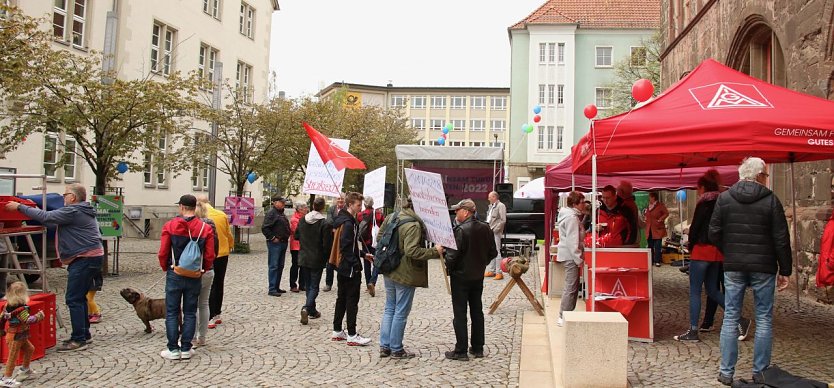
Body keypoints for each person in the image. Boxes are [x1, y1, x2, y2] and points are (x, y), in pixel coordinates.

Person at [709, 157, 792, 386]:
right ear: (758, 176)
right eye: (765, 175)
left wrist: (729, 250)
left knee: (730, 317)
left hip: (734, 265)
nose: (766, 178)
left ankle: (726, 372)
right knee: (764, 318)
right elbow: (781, 238)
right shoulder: (771, 200)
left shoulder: (725, 199)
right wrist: (785, 270)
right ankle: (760, 372)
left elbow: (713, 232)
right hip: (764, 267)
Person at [5, 183, 102, 352]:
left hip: (84, 259)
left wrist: (19, 206)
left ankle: (79, 339)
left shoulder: (73, 211)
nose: (63, 197)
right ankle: (84, 334)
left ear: (73, 197)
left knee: (73, 298)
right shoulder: (82, 210)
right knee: (80, 297)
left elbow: (46, 217)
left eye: (65, 194)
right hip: (90, 257)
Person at [674, 175, 749, 342]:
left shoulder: (703, 204)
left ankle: (693, 330)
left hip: (701, 251)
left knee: (695, 291)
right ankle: (739, 319)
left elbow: (696, 227)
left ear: (702, 188)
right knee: (713, 290)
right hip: (716, 252)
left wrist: (690, 244)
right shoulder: (723, 202)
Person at [377, 197, 441, 359]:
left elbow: (379, 239)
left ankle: (385, 347)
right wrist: (435, 251)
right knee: (400, 311)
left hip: (388, 269)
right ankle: (396, 349)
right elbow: (412, 251)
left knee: (390, 308)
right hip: (404, 272)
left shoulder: (393, 216)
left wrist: (393, 249)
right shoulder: (413, 224)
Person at [157, 194, 216, 360]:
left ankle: (173, 349)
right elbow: (210, 254)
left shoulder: (170, 225)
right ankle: (186, 348)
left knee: (172, 312)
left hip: (175, 272)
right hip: (194, 274)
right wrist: (203, 269)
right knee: (190, 311)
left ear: (182, 207)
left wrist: (165, 267)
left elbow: (163, 252)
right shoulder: (205, 228)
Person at [441, 199, 497, 361]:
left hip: (461, 277)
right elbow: (492, 252)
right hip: (477, 276)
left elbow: (452, 257)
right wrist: (481, 263)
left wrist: (447, 260)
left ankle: (461, 350)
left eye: (457, 210)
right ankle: (478, 347)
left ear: (466, 211)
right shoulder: (486, 228)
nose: (456, 213)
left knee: (460, 313)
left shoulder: (460, 230)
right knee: (477, 311)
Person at [330, 192, 372, 346]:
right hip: (348, 268)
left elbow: (351, 247)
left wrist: (362, 254)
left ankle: (337, 330)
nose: (360, 207)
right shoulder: (348, 223)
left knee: (341, 298)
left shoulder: (345, 220)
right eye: (357, 205)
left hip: (343, 266)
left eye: (360, 204)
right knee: (351, 300)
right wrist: (356, 265)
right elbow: (346, 247)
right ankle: (352, 335)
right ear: (350, 205)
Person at [195, 195, 233, 330]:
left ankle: (208, 315)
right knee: (219, 283)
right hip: (222, 253)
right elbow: (228, 234)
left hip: (207, 254)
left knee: (207, 285)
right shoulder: (221, 215)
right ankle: (216, 313)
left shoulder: (197, 216)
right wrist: (230, 246)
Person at [0, 282, 45, 387]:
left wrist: (1, 330)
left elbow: (2, 318)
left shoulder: (8, 305)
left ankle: (25, 369)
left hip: (20, 334)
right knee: (12, 357)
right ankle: (6, 378)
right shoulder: (21, 309)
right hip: (16, 335)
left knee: (30, 349)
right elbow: (28, 320)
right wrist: (39, 316)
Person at [296, 197, 332, 325]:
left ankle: (312, 310)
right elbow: (327, 244)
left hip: (304, 256)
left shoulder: (302, 220)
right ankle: (306, 308)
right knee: (314, 287)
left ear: (312, 205)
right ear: (323, 208)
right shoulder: (325, 223)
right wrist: (327, 257)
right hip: (317, 258)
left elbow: (296, 235)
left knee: (308, 285)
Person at [556, 191, 586, 327]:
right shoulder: (572, 218)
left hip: (567, 255)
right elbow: (572, 240)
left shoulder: (568, 215)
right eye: (582, 202)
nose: (584, 204)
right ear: (575, 204)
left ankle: (567, 314)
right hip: (570, 256)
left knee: (571, 286)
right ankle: (563, 316)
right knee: (570, 287)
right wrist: (578, 258)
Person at [193, 201, 217, 347]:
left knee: (192, 304)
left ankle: (192, 337)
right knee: (203, 303)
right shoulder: (210, 226)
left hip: (191, 269)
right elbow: (215, 248)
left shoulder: (189, 225)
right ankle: (202, 337)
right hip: (208, 268)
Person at [261, 195, 290, 296]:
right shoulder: (271, 213)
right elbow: (265, 228)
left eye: (284, 202)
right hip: (275, 243)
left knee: (280, 266)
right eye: (281, 202)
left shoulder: (281, 213)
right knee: (274, 266)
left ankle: (276, 286)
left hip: (283, 242)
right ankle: (272, 288)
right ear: (274, 202)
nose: (283, 204)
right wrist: (273, 238)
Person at [357, 196, 384, 297]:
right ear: (373, 204)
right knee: (377, 261)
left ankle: (368, 283)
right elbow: (383, 226)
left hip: (365, 242)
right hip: (377, 242)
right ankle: (372, 282)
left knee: (367, 262)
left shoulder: (360, 215)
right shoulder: (379, 214)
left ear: (364, 204)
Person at [324, 193, 346, 292]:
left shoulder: (347, 210)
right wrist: (337, 227)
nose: (340, 200)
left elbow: (347, 221)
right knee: (330, 262)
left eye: (342, 199)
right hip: (331, 239)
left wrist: (337, 228)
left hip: (343, 239)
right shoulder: (331, 209)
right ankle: (328, 283)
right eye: (338, 199)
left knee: (341, 260)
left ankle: (342, 283)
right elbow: (329, 221)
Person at [484, 191, 507, 280]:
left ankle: (499, 272)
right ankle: (492, 270)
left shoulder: (501, 206)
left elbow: (503, 220)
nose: (488, 199)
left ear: (494, 197)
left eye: (490, 197)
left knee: (497, 251)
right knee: (491, 251)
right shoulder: (491, 206)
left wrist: (496, 230)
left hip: (495, 231)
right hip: (489, 230)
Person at [644, 191, 669, 267]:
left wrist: (661, 219)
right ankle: (650, 260)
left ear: (653, 197)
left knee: (657, 246)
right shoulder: (648, 206)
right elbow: (647, 215)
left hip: (658, 229)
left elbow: (666, 213)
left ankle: (657, 261)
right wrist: (646, 218)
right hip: (650, 229)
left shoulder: (660, 205)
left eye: (650, 197)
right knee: (650, 245)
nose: (649, 198)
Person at [289, 202, 309, 293]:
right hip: (296, 246)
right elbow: (298, 232)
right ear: (300, 209)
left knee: (303, 266)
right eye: (305, 208)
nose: (307, 209)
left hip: (303, 245)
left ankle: (302, 284)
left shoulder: (305, 218)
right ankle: (293, 285)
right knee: (295, 265)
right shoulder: (294, 219)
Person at [617, 180, 640, 245]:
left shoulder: (626, 205)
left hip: (628, 238)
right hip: (631, 237)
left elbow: (630, 225)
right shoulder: (631, 203)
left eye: (617, 190)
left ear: (621, 192)